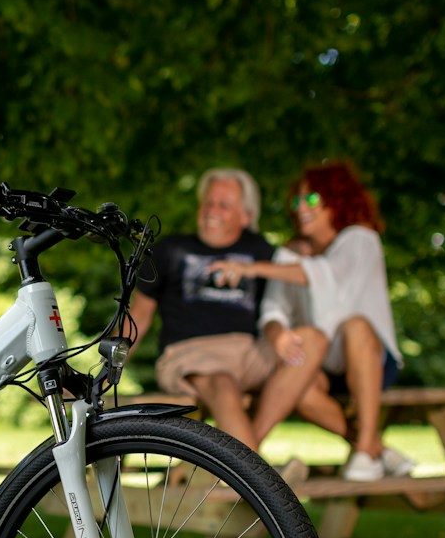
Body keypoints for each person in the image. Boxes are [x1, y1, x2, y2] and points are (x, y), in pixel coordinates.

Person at [210, 161, 413, 480]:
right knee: (298, 385)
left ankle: (362, 453)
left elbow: (328, 278)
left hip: (369, 361)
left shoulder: (360, 240)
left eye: (312, 199)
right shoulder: (291, 255)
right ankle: (375, 448)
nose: (302, 207)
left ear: (337, 200)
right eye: (297, 200)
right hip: (325, 365)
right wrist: (277, 335)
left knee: (356, 326)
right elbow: (273, 312)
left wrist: (252, 268)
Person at [127, 168, 327, 451]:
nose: (212, 210)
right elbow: (138, 318)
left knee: (311, 343)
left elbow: (299, 285)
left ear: (246, 217)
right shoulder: (169, 249)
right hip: (191, 353)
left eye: (224, 204)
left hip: (248, 352)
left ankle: (249, 471)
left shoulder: (260, 251)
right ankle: (260, 482)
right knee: (223, 384)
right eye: (208, 202)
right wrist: (104, 372)